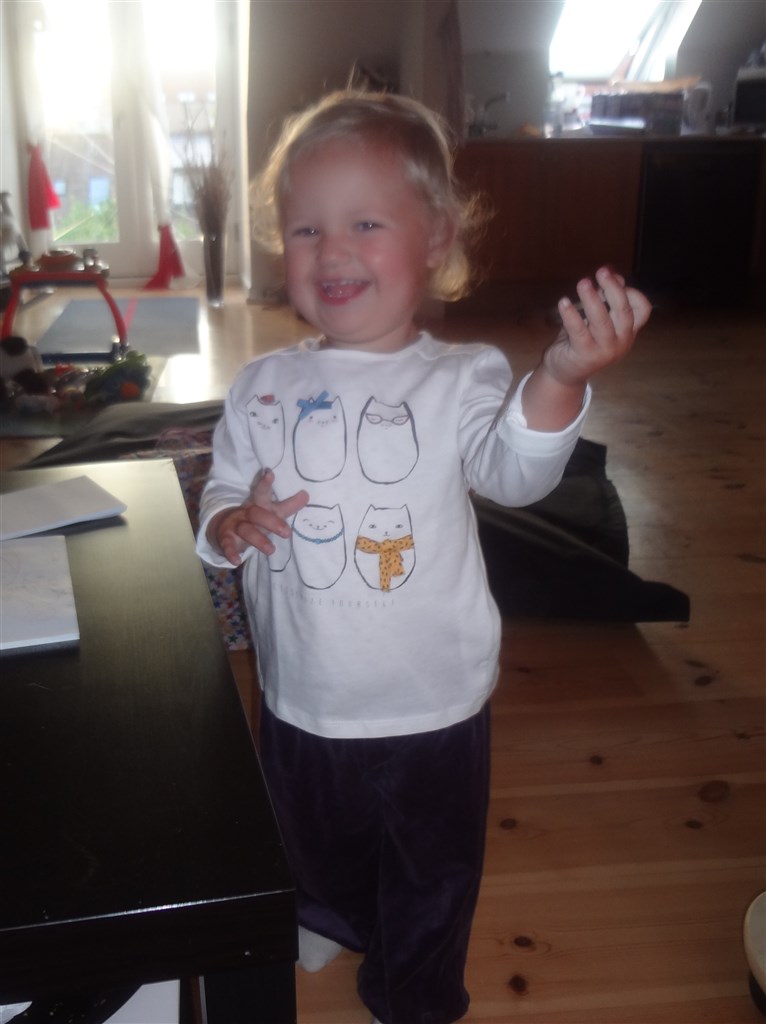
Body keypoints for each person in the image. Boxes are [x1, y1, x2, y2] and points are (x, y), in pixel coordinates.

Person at [196, 90, 651, 1024]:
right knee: (310, 839)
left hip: (434, 700)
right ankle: (327, 912)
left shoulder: (464, 375)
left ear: (437, 239)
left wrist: (559, 378)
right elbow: (221, 489)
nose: (332, 250)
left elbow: (514, 472)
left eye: (366, 223)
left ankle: (414, 992)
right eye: (307, 229)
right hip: (302, 693)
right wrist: (228, 523)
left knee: (431, 870)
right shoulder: (262, 385)